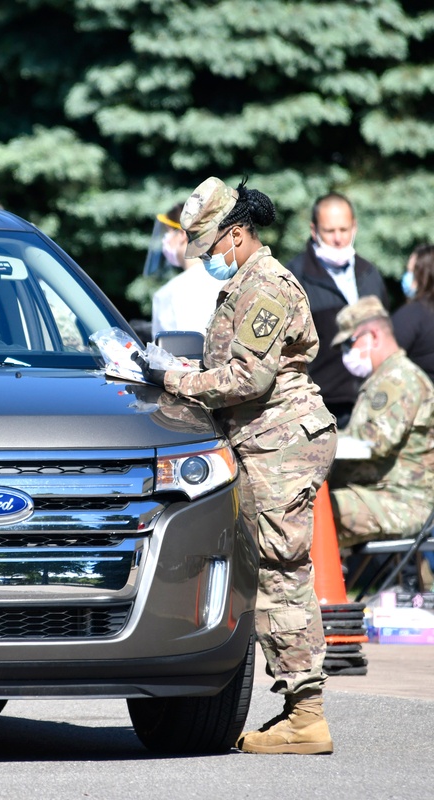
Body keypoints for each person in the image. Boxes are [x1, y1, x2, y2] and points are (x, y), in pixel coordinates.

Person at [139, 177, 337, 755]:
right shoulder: (244, 283)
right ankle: (301, 710)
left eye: (208, 246)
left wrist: (174, 380)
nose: (205, 258)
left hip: (281, 443)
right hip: (264, 438)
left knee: (280, 570)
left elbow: (249, 378)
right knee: (271, 566)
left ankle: (306, 714)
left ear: (237, 234)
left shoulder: (266, 287)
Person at [327, 296, 434, 548]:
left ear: (373, 335)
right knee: (306, 509)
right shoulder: (384, 378)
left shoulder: (398, 378)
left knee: (310, 515)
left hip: (402, 501)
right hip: (377, 494)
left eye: (349, 344)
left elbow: (372, 442)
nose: (345, 354)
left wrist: (318, 442)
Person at [285, 192, 389, 428]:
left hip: (370, 401)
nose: (338, 239)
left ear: (354, 227)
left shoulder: (369, 273)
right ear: (314, 231)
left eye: (344, 230)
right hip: (319, 407)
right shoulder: (295, 277)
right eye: (330, 231)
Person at [150, 202, 226, 337]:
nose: (164, 240)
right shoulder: (227, 281)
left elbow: (163, 347)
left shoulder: (168, 293)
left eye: (167, 232)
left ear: (182, 234)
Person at [392, 243, 434, 383]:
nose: (406, 277)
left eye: (410, 271)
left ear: (423, 274)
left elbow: (387, 360)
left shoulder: (412, 315)